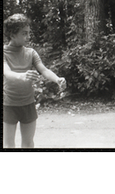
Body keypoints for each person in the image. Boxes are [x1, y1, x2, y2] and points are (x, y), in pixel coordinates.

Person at [3, 14, 67, 148]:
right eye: (24, 33)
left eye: (28, 33)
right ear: (12, 34)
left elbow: (44, 70)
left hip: (28, 103)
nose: (28, 37)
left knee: (28, 143)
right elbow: (7, 72)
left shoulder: (31, 53)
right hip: (8, 104)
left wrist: (57, 79)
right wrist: (22, 76)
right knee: (9, 145)